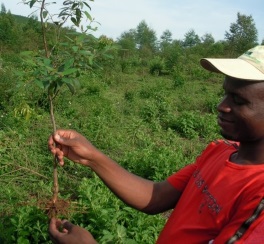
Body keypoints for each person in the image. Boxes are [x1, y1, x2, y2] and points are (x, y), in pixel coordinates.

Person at [48, 45, 264, 244]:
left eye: (238, 100)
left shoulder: (259, 198)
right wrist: (90, 156)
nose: (221, 106)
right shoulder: (220, 151)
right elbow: (157, 197)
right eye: (225, 94)